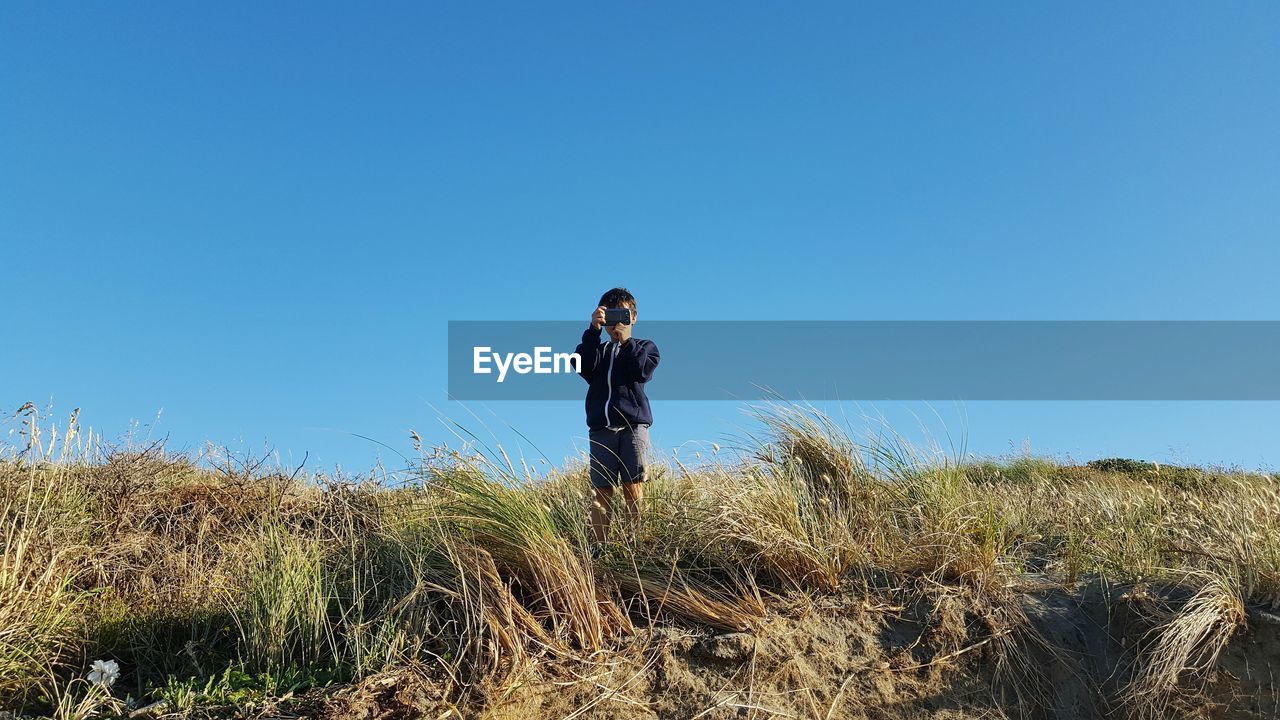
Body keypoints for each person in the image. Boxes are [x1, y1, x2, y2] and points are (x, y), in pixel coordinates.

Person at [575, 287, 660, 559]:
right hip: (601, 428)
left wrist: (626, 341)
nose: (617, 324)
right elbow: (581, 366)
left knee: (633, 484)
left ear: (634, 318)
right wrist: (592, 331)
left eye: (623, 316)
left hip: (633, 425)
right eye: (610, 317)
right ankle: (600, 548)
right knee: (601, 489)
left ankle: (635, 544)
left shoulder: (645, 347)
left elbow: (641, 371)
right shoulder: (597, 350)